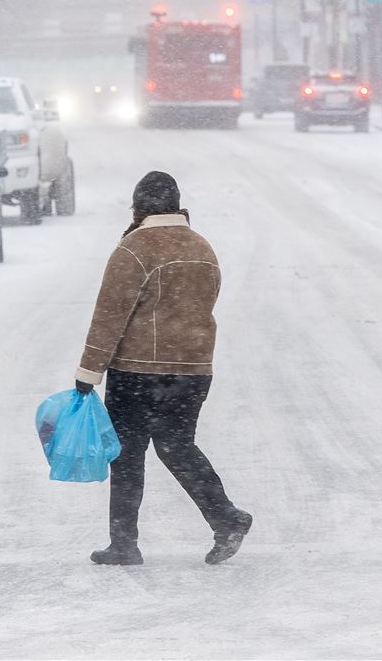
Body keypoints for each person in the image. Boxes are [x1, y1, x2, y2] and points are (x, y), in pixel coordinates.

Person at [74, 171, 252, 566]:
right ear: (176, 205)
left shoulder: (135, 248)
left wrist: (88, 373)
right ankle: (226, 518)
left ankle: (124, 543)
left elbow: (109, 315)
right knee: (177, 447)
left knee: (127, 455)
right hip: (192, 369)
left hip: (138, 371)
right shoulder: (202, 246)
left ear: (138, 208)